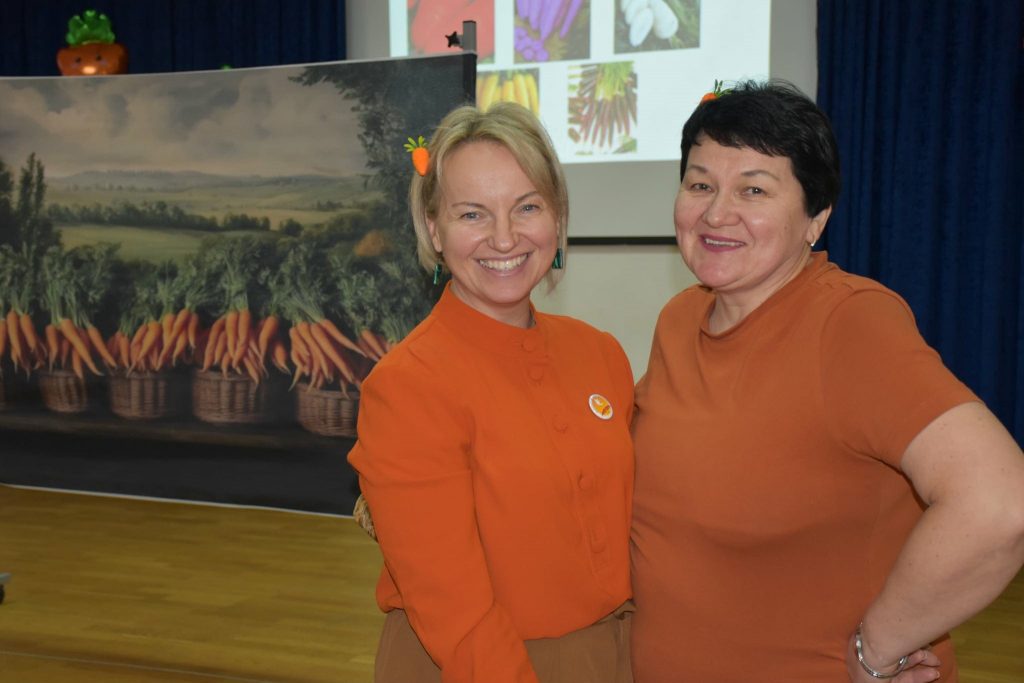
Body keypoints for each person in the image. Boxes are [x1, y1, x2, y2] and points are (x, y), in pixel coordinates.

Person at [629, 80, 1024, 682]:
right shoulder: (681, 318)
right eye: (700, 184)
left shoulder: (848, 322)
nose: (715, 212)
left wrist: (877, 649)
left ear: (816, 217)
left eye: (754, 189)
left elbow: (1000, 503)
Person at [347, 102, 635, 683]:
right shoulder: (408, 386)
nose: (504, 238)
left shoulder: (600, 354)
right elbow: (455, 612)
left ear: (556, 216)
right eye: (473, 214)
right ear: (434, 229)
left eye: (527, 206)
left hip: (612, 654)